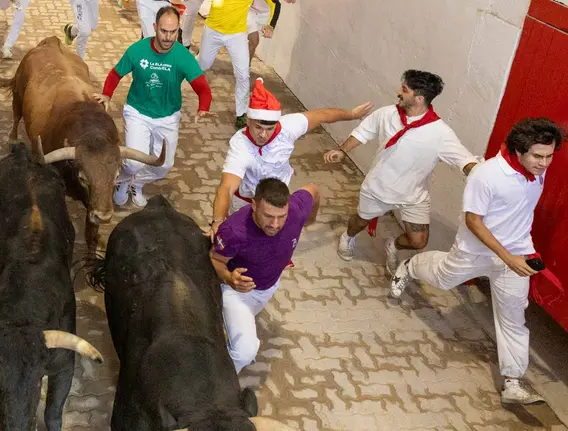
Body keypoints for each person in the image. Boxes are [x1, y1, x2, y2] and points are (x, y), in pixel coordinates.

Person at [390, 117, 564, 405]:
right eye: (538, 156)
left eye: (549, 156)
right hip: (475, 252)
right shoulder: (486, 176)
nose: (544, 163)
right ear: (519, 150)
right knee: (444, 278)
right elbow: (473, 221)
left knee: (513, 318)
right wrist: (505, 256)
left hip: (517, 254)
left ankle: (512, 382)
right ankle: (409, 266)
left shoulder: (535, 170)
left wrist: (514, 256)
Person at [323, 69, 480, 275]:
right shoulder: (387, 114)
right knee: (359, 222)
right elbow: (363, 133)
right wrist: (342, 150)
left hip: (413, 196)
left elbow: (465, 161)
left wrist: (487, 175)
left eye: (404, 90)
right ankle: (348, 237)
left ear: (419, 98)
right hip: (378, 187)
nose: (399, 92)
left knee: (418, 241)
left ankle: (393, 246)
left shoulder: (440, 133)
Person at [208, 77, 372, 237]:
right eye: (258, 127)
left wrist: (352, 114)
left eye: (270, 129)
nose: (263, 135)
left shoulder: (288, 126)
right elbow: (227, 187)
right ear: (248, 121)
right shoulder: (240, 145)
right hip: (246, 200)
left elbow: (323, 115)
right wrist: (218, 221)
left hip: (278, 196)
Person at [95, 6, 214, 207]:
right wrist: (107, 94)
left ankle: (135, 182)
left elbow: (202, 86)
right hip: (137, 113)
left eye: (173, 32)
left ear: (178, 30)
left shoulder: (183, 56)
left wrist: (204, 106)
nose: (168, 37)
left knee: (163, 166)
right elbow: (116, 74)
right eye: (163, 31)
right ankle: (123, 180)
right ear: (154, 27)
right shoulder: (137, 50)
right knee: (133, 162)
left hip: (168, 117)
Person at [210, 178, 318, 372]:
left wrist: (310, 219)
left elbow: (312, 188)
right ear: (253, 205)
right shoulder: (234, 231)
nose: (275, 224)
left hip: (270, 285)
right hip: (238, 292)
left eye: (281, 216)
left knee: (243, 325)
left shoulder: (297, 210)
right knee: (245, 352)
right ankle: (217, 381)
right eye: (268, 216)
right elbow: (215, 260)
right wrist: (229, 278)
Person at [197, 0, 291, 129]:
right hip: (212, 32)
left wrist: (271, 25)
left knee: (243, 74)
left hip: (236, 36)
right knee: (203, 64)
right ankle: (181, 68)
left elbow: (275, 3)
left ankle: (241, 113)